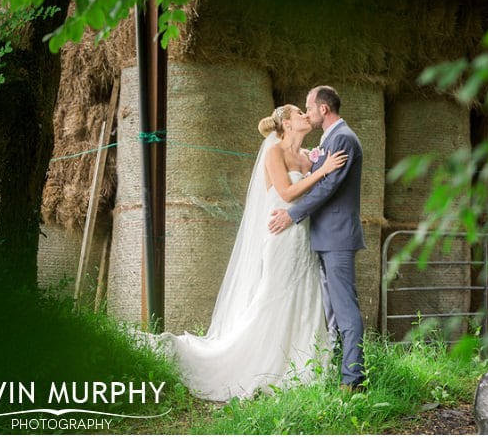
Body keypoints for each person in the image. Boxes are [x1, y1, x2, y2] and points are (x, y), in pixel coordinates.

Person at [146, 104, 347, 401]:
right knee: (275, 294)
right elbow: (287, 193)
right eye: (299, 113)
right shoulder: (274, 152)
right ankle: (258, 362)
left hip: (305, 236)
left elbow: (316, 195)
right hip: (281, 235)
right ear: (287, 124)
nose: (306, 115)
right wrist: (324, 172)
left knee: (307, 295)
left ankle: (304, 365)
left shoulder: (308, 156)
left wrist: (323, 167)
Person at [268, 85, 367, 392]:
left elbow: (327, 188)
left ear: (323, 109)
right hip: (323, 237)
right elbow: (316, 176)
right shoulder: (329, 140)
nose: (307, 113)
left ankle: (353, 381)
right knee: (332, 311)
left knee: (345, 309)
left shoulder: (343, 139)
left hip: (337, 237)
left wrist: (292, 214)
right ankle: (337, 368)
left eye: (308, 108)